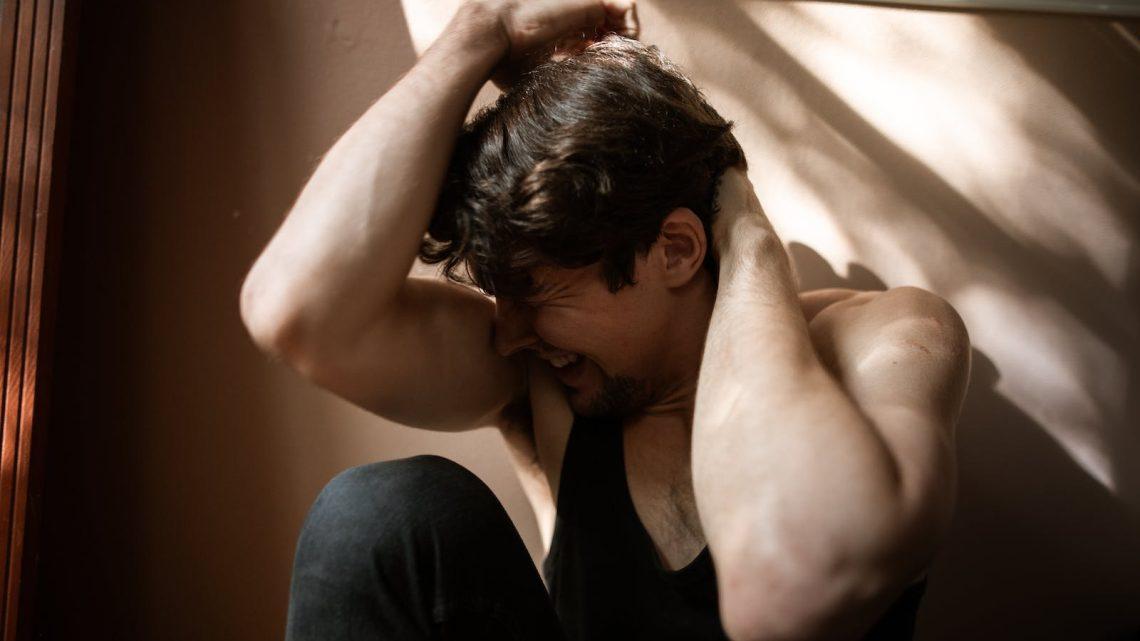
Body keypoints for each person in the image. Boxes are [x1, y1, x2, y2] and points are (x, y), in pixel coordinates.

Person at [239, 1, 971, 639]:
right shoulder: (544, 388)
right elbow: (298, 313)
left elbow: (785, 591)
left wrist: (745, 232)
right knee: (373, 515)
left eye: (538, 290)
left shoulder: (885, 342)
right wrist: (479, 31)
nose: (508, 331)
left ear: (678, 248)